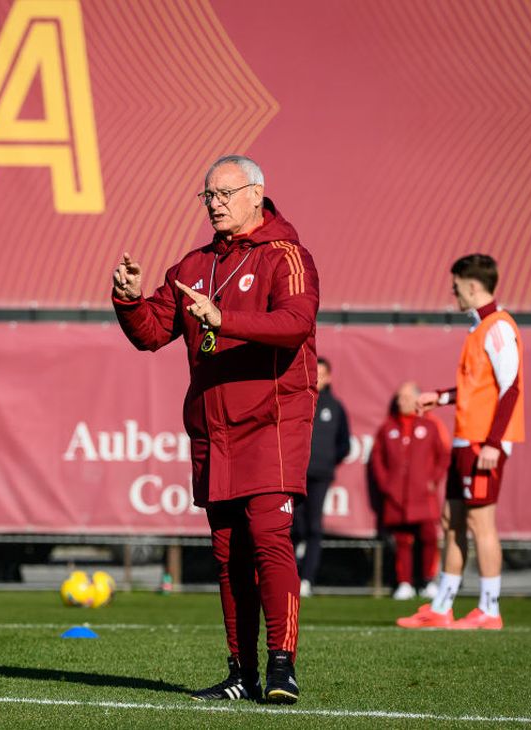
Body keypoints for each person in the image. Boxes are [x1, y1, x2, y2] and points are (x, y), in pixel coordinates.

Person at [113, 155, 318, 704]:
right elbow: (153, 332)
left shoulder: (287, 255)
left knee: (270, 539)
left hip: (273, 420)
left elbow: (296, 323)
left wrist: (226, 320)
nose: (215, 203)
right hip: (214, 427)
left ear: (256, 194)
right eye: (208, 196)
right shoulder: (193, 265)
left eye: (225, 193)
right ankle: (240, 671)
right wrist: (129, 299)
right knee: (226, 551)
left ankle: (282, 665)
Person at [397, 254, 524, 631]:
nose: (452, 293)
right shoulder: (479, 327)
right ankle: (442, 606)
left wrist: (493, 444)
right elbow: (477, 388)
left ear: (471, 285)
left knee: (482, 525)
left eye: (455, 286)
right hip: (465, 439)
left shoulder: (499, 327)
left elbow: (511, 388)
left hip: (483, 443)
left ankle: (489, 609)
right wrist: (442, 396)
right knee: (452, 520)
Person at [370, 382, 449, 600]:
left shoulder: (430, 425)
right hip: (397, 497)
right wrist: (387, 485)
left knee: (429, 538)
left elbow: (443, 456)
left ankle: (427, 581)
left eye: (406, 398)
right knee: (402, 541)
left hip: (423, 496)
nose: (401, 402)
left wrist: (432, 480)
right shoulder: (387, 427)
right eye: (399, 398)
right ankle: (404, 582)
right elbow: (377, 459)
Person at [295, 356, 350, 597]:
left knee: (315, 527)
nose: (318, 378)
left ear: (329, 377)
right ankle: (290, 574)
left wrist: (328, 460)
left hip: (320, 475)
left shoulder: (335, 407)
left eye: (322, 374)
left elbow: (344, 444)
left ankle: (306, 579)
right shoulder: (295, 400)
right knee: (292, 525)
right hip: (294, 474)